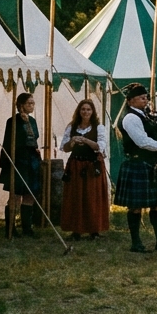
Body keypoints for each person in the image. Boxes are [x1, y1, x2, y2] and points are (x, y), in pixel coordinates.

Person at [113, 83, 157, 253]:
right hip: (136, 164)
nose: (145, 100)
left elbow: (153, 135)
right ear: (130, 101)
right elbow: (141, 141)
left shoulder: (145, 116)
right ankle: (136, 243)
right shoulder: (130, 118)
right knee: (136, 206)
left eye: (146, 97)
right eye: (141, 97)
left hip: (149, 164)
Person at [60, 98, 110, 240]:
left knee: (92, 197)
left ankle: (94, 230)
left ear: (92, 112)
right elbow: (65, 148)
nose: (85, 112)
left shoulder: (98, 127)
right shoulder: (72, 127)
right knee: (76, 197)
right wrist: (72, 141)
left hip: (92, 166)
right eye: (83, 109)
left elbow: (100, 146)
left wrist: (86, 140)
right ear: (79, 111)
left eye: (88, 109)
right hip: (75, 166)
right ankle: (76, 231)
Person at [0, 92, 42, 238]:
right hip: (18, 160)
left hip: (31, 161)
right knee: (16, 194)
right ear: (21, 105)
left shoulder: (33, 121)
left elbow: (34, 137)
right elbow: (12, 141)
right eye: (29, 103)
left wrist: (35, 148)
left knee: (30, 193)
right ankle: (10, 228)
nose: (32, 106)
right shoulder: (13, 121)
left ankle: (27, 228)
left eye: (33, 103)